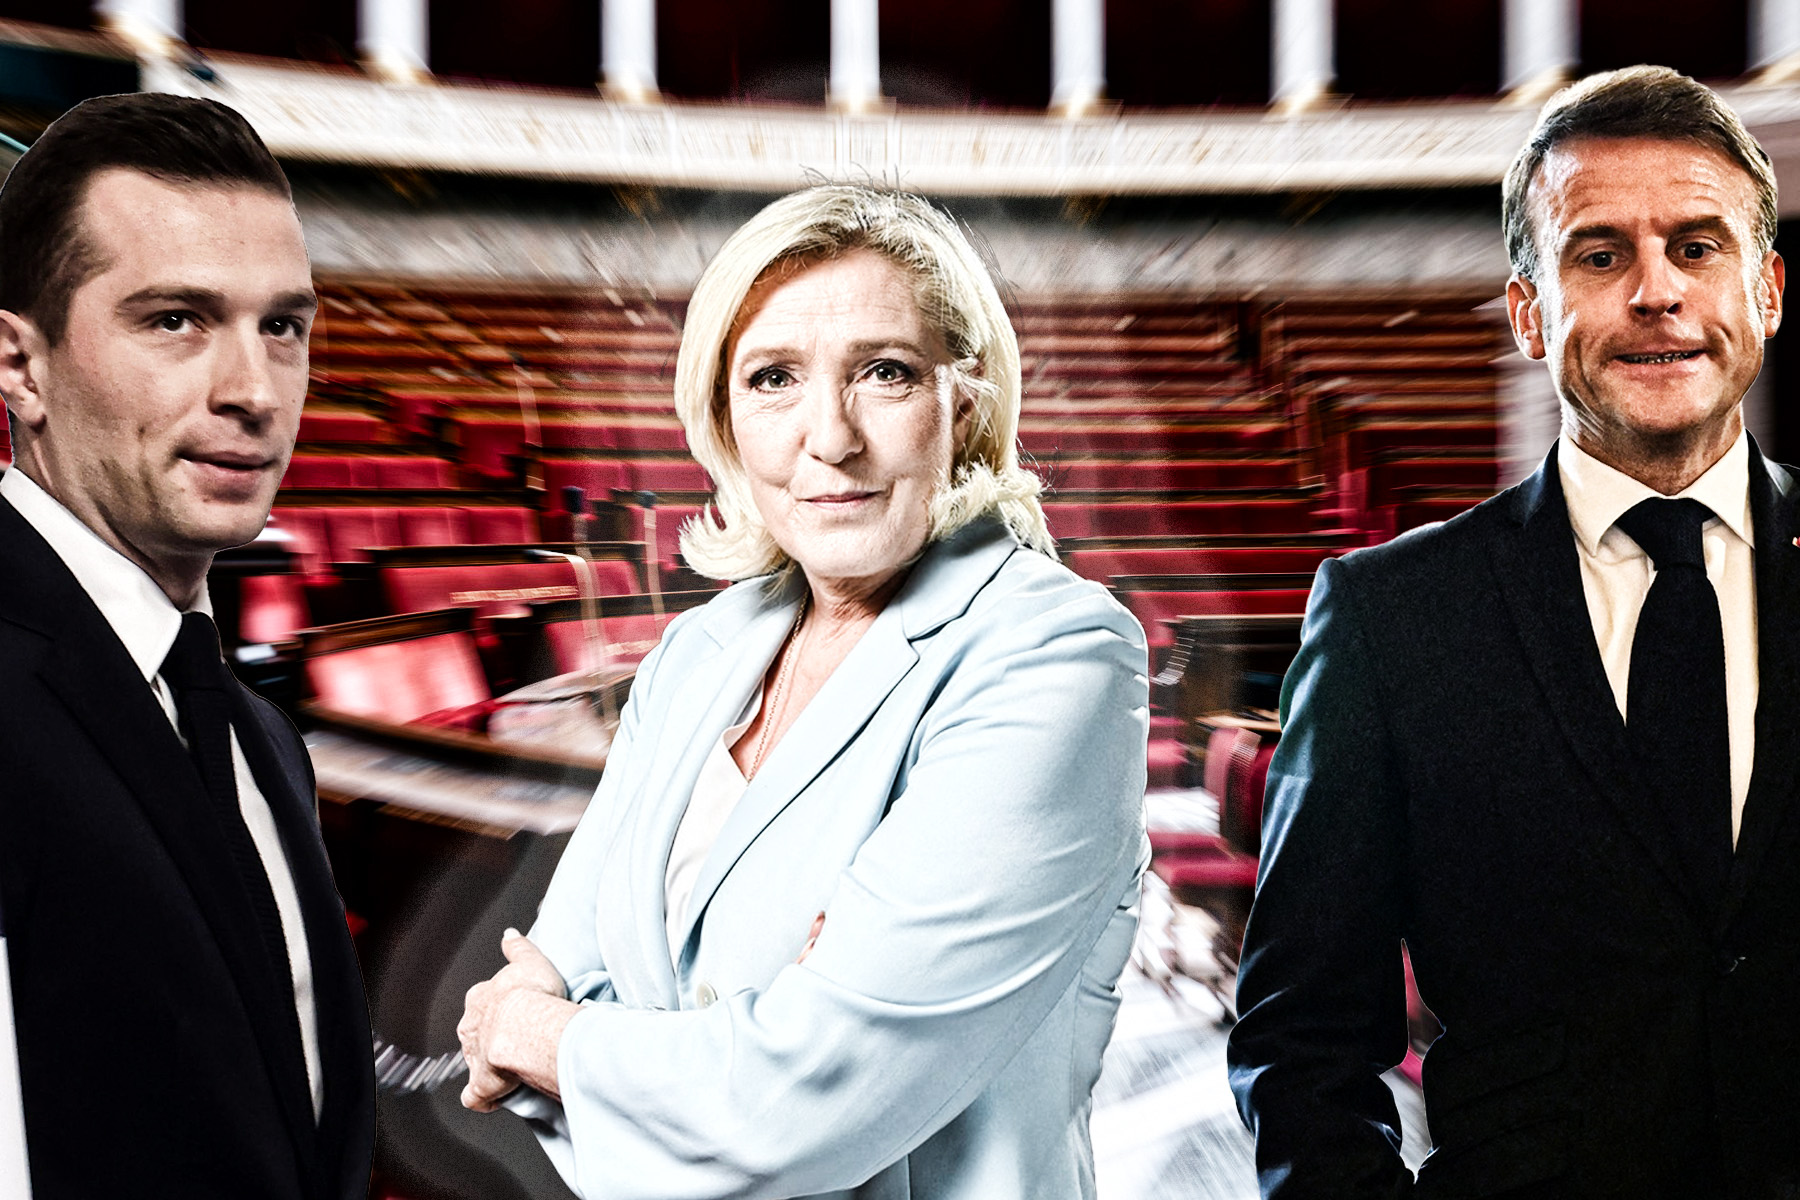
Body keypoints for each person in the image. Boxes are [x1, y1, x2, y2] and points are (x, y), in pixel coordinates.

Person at [455, 185, 1149, 1198]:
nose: (829, 437)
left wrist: (554, 1041)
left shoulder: (1061, 654)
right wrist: (704, 1039)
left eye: (885, 373)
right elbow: (561, 959)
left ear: (966, 404)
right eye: (774, 378)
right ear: (726, 422)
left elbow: (799, 1103)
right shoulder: (697, 652)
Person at [1227, 65, 1798, 1198]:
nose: (1657, 293)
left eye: (1698, 247)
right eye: (1600, 255)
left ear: (1767, 290)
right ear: (1529, 311)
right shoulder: (1392, 616)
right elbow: (1303, 1039)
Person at [0, 94, 374, 1198]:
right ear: (19, 367)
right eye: (175, 320)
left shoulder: (259, 736)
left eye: (284, 326)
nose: (253, 392)